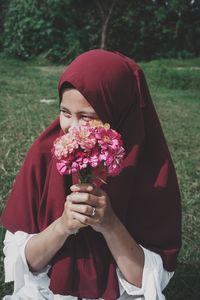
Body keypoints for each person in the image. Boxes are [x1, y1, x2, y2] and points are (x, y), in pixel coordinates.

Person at [1, 49, 181, 300]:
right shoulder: (44, 155)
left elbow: (149, 282)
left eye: (87, 117)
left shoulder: (151, 170)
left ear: (117, 114)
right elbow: (24, 263)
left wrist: (110, 225)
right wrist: (63, 226)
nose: (73, 129)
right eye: (65, 113)